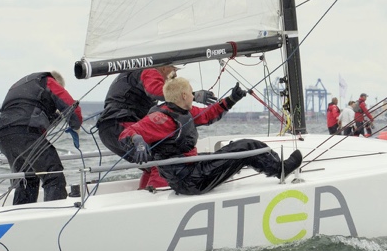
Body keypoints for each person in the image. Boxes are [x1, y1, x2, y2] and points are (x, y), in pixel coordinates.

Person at [118, 77, 303, 195]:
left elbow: (208, 114)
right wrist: (138, 140)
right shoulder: (161, 118)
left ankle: (274, 166)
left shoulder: (180, 111)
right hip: (190, 180)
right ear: (184, 95)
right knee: (246, 147)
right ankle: (280, 170)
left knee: (232, 150)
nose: (193, 96)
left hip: (188, 174)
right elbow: (127, 133)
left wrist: (232, 99)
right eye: (191, 93)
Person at [0, 71, 82, 204]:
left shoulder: (23, 85)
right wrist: (76, 125)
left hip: (4, 135)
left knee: (26, 179)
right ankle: (53, 216)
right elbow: (71, 105)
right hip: (26, 134)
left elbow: (32, 113)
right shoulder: (48, 81)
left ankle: (22, 216)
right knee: (53, 175)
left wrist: (57, 116)